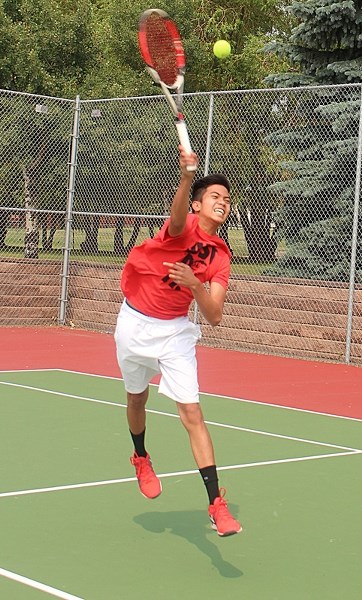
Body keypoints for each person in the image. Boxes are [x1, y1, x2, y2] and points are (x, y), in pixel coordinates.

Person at [114, 146, 242, 537]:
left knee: (193, 413)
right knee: (137, 399)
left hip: (174, 333)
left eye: (226, 199)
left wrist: (194, 286)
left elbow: (215, 315)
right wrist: (187, 176)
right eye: (215, 197)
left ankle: (216, 505)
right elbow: (174, 216)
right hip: (134, 324)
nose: (222, 202)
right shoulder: (182, 226)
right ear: (199, 204)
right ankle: (140, 456)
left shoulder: (221, 256)